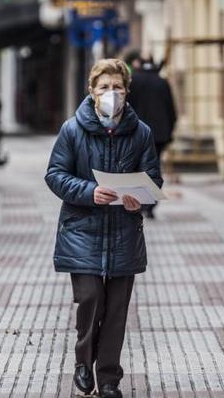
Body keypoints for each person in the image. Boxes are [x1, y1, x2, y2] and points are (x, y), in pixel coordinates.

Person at [45, 58, 161, 398]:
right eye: (104, 88)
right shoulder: (72, 130)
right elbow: (55, 175)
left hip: (124, 232)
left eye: (117, 88)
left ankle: (108, 378)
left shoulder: (141, 133)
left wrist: (141, 198)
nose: (112, 94)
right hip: (82, 230)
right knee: (90, 299)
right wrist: (89, 192)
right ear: (92, 92)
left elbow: (153, 179)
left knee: (116, 312)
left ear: (127, 91)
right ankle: (84, 360)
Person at [127, 55, 177, 219]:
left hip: (136, 133)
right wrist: (170, 132)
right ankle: (150, 205)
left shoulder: (134, 81)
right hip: (159, 134)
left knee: (136, 168)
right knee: (153, 168)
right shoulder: (162, 82)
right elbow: (171, 110)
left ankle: (139, 203)